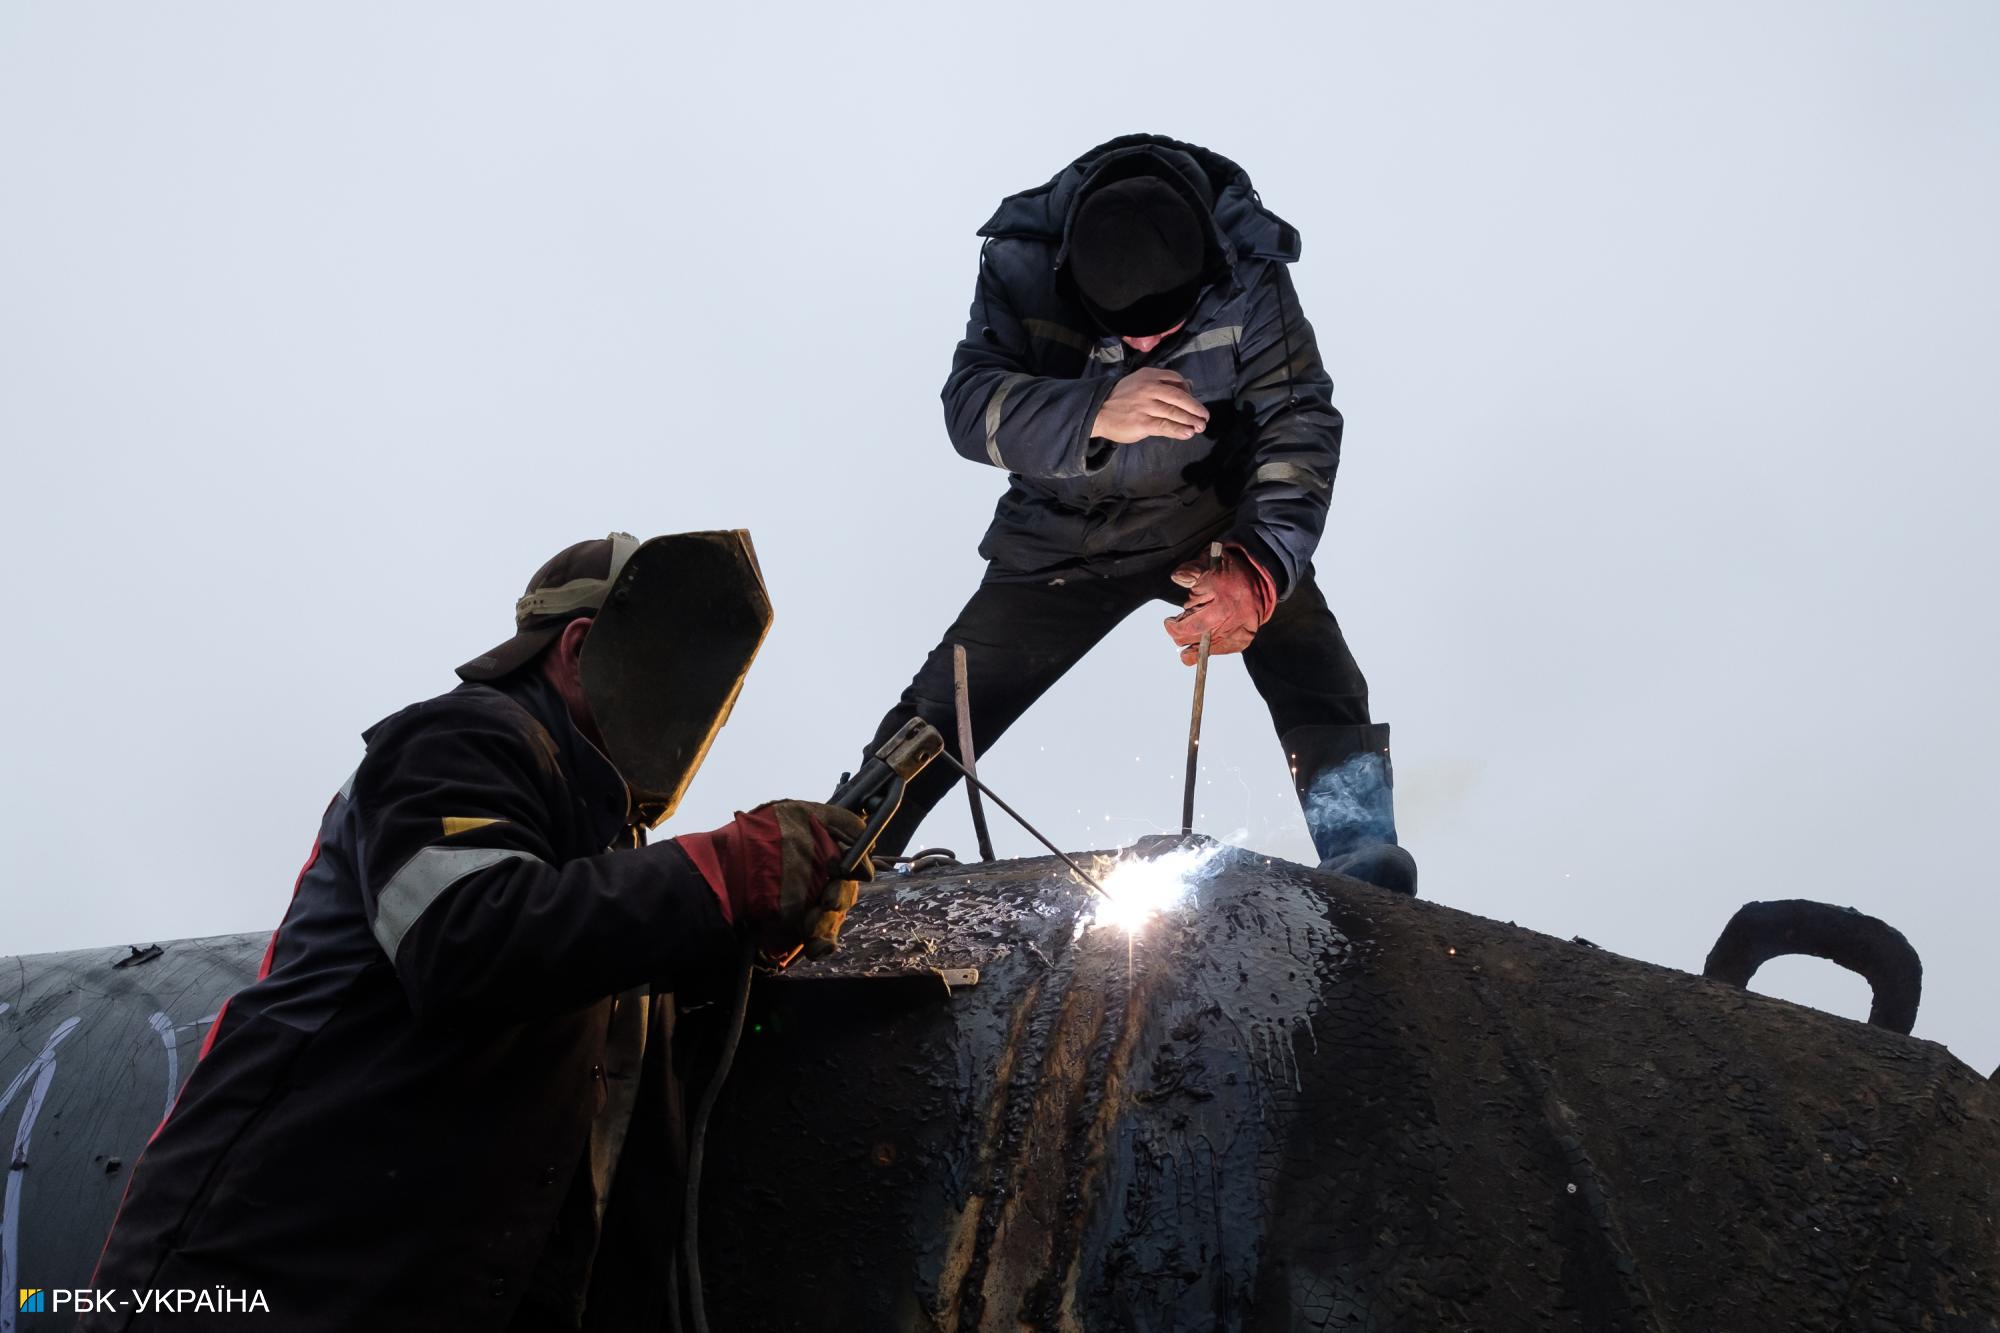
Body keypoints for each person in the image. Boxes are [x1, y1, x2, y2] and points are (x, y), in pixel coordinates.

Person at [86, 533, 867, 1332]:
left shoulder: (599, 843)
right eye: (671, 668)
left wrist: (739, 934)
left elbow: (595, 977)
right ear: (581, 645)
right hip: (261, 1279)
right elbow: (465, 939)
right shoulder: (460, 741)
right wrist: (720, 874)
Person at [858, 134, 1415, 892]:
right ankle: (833, 857)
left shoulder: (1249, 269)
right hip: (1058, 538)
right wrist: (1094, 409)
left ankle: (1361, 854)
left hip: (1207, 522)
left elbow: (1299, 418)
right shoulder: (1020, 263)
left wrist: (1257, 568)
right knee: (943, 708)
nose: (1147, 343)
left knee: (1314, 658)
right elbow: (969, 409)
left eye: (1166, 326)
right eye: (1128, 329)